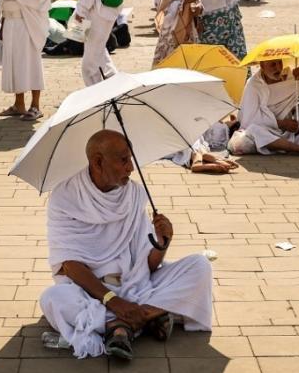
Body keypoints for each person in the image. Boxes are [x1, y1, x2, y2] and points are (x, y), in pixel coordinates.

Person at [39, 129, 213, 360]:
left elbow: (147, 266)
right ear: (98, 162)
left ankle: (121, 327)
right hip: (90, 291)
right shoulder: (65, 198)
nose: (131, 168)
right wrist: (114, 301)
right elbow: (69, 265)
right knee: (54, 298)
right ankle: (147, 316)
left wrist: (162, 243)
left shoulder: (133, 195)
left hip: (136, 284)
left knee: (199, 266)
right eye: (123, 160)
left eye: (130, 159)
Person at [234, 59, 299, 159]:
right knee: (253, 130)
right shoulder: (253, 84)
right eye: (273, 64)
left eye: (279, 63)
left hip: (293, 131)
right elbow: (249, 119)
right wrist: (281, 123)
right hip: (268, 132)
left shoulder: (292, 76)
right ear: (262, 66)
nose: (278, 68)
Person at [0, 0, 51, 122]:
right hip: (11, 23)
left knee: (30, 63)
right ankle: (18, 103)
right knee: (14, 63)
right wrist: (3, 23)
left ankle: (35, 105)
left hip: (27, 24)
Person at [153, 0, 200, 66]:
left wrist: (197, 6)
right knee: (170, 54)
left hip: (188, 25)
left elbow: (198, 1)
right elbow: (164, 9)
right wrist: (182, 3)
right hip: (172, 28)